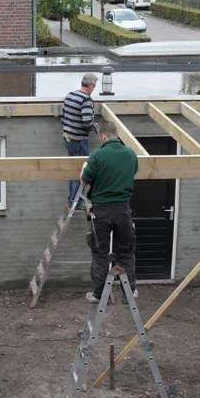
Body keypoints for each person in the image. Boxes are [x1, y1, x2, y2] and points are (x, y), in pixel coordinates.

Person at [80, 121, 138, 303]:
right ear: (116, 134)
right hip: (123, 210)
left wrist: (84, 168)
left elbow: (85, 179)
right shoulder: (130, 154)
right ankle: (130, 293)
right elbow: (132, 172)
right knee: (126, 252)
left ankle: (98, 294)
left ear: (103, 136)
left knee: (100, 253)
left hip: (102, 212)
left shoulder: (98, 156)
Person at [62, 73, 99, 210]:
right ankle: (74, 202)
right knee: (81, 171)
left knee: (73, 170)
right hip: (79, 140)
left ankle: (71, 200)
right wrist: (95, 127)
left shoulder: (71, 95)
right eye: (94, 86)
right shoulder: (86, 100)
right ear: (90, 86)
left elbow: (64, 114)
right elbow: (87, 121)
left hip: (68, 138)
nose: (93, 89)